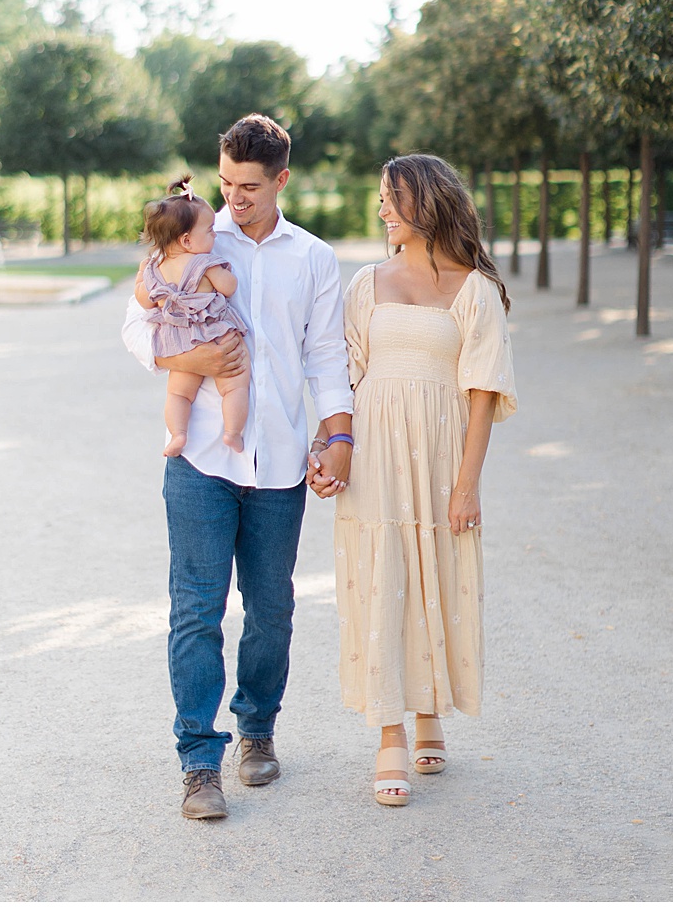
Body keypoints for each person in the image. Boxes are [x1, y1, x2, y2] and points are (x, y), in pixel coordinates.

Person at [120, 114, 354, 820]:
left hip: (280, 461)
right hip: (199, 456)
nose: (234, 196)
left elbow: (325, 356)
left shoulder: (313, 257)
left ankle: (257, 726)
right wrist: (183, 360)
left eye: (248, 185)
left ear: (282, 178)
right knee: (195, 609)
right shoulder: (193, 234)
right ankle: (199, 760)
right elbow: (136, 324)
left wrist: (338, 432)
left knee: (273, 608)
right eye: (225, 181)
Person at [307, 153, 516, 806]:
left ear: (426, 204)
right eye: (380, 198)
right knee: (382, 584)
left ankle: (430, 711)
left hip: (438, 454)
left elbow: (482, 392)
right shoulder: (365, 283)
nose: (382, 209)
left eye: (392, 197)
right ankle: (391, 732)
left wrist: (467, 484)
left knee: (434, 580)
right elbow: (342, 371)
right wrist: (328, 440)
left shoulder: (474, 289)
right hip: (374, 454)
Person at [133, 176, 248, 456]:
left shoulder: (153, 267)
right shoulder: (204, 262)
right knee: (235, 385)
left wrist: (143, 278)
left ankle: (178, 434)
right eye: (210, 231)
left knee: (178, 394)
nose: (215, 235)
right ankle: (233, 433)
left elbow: (145, 300)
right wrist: (225, 274)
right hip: (214, 335)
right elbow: (229, 287)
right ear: (187, 240)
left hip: (179, 341)